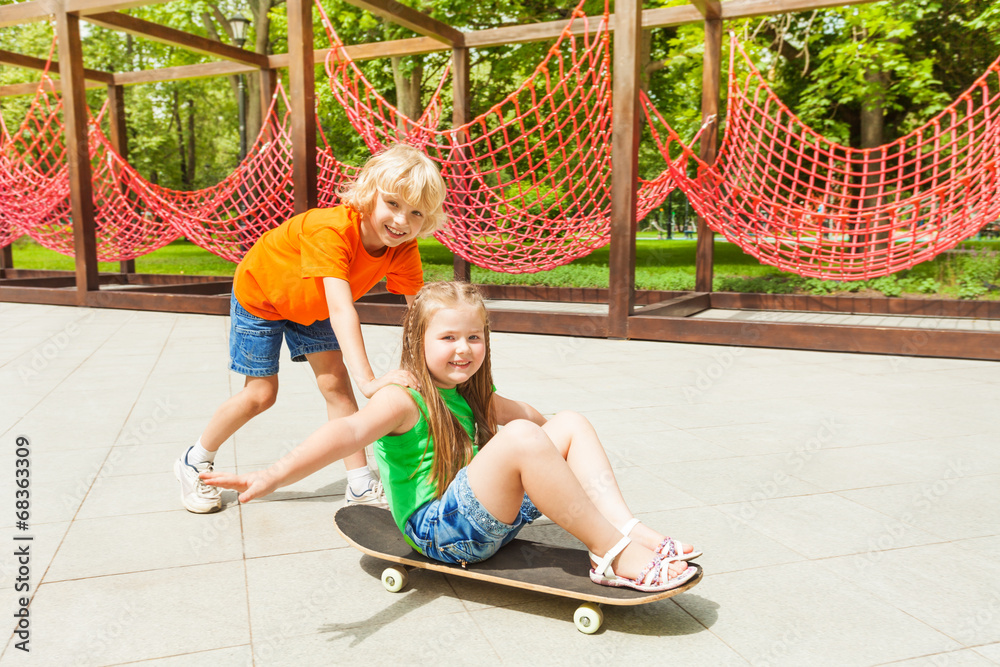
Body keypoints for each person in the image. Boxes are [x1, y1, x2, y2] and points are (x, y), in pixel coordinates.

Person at [202, 282, 701, 592]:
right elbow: (347, 430)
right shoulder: (405, 396)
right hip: (440, 533)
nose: (463, 350)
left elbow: (527, 415)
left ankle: (626, 530)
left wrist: (558, 444)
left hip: (482, 516)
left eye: (474, 337)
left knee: (568, 421)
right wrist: (270, 475)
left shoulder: (469, 389)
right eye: (448, 338)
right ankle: (612, 558)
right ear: (417, 342)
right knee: (525, 436)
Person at [174, 144, 447, 514]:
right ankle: (194, 459)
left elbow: (421, 314)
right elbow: (340, 307)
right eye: (394, 204)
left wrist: (442, 365)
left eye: (416, 213)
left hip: (312, 304)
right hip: (262, 295)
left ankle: (360, 485)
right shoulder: (331, 229)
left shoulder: (403, 248)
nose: (402, 221)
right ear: (369, 195)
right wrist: (370, 380)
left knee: (336, 386)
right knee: (261, 394)